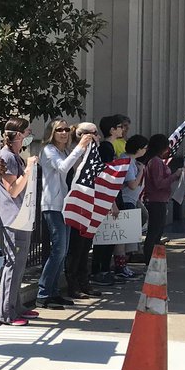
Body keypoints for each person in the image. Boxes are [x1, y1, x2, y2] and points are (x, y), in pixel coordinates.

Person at [37, 119, 95, 308]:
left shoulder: (66, 151)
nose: (63, 132)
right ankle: (43, 293)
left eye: (66, 129)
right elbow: (62, 167)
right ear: (52, 132)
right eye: (58, 130)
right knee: (58, 250)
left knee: (62, 252)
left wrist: (89, 147)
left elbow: (78, 167)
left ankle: (53, 292)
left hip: (66, 205)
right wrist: (80, 147)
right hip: (53, 205)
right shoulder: (49, 150)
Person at [0, 117, 38, 326]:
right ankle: (6, 312)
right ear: (18, 135)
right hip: (13, 217)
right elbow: (12, 190)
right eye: (27, 132)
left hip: (21, 215)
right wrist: (29, 170)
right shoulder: (7, 157)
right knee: (13, 264)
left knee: (20, 264)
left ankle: (16, 305)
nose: (29, 135)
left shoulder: (15, 156)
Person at [64, 121, 101, 299]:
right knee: (76, 248)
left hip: (89, 205)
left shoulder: (93, 155)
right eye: (95, 133)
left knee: (86, 247)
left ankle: (84, 282)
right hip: (76, 206)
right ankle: (73, 286)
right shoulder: (75, 153)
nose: (98, 137)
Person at [90, 114, 127, 286]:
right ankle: (99, 271)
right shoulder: (105, 148)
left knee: (111, 237)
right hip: (107, 196)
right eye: (119, 126)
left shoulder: (111, 147)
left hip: (112, 194)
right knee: (105, 237)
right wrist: (111, 202)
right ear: (112, 129)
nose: (122, 129)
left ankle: (104, 269)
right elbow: (105, 177)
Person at [112, 134, 150, 276]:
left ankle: (124, 264)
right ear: (139, 149)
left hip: (131, 200)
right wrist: (141, 171)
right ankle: (120, 267)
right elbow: (133, 184)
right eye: (145, 148)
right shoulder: (126, 162)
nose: (146, 151)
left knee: (128, 236)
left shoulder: (130, 160)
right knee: (122, 238)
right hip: (126, 201)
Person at [141, 134, 178, 261]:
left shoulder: (154, 160)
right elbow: (159, 183)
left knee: (157, 232)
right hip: (155, 200)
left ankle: (153, 259)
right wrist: (175, 176)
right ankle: (149, 259)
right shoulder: (155, 161)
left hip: (159, 199)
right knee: (154, 232)